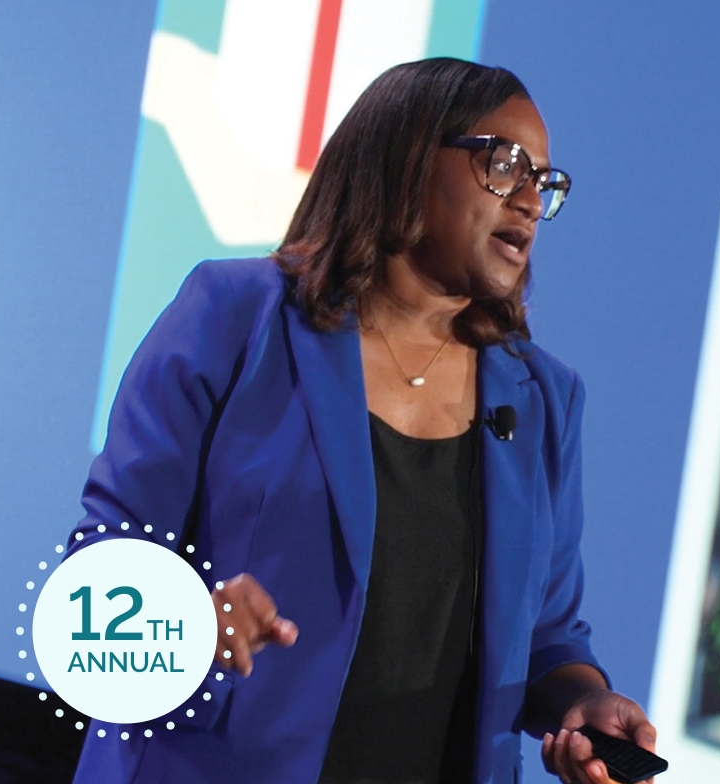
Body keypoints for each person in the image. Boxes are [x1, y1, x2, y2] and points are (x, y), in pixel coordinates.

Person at [68, 57, 657, 784]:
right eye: (506, 165)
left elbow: (548, 637)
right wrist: (186, 622)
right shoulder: (234, 317)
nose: (532, 200)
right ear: (407, 156)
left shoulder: (543, 399)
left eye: (545, 181)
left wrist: (585, 702)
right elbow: (98, 575)